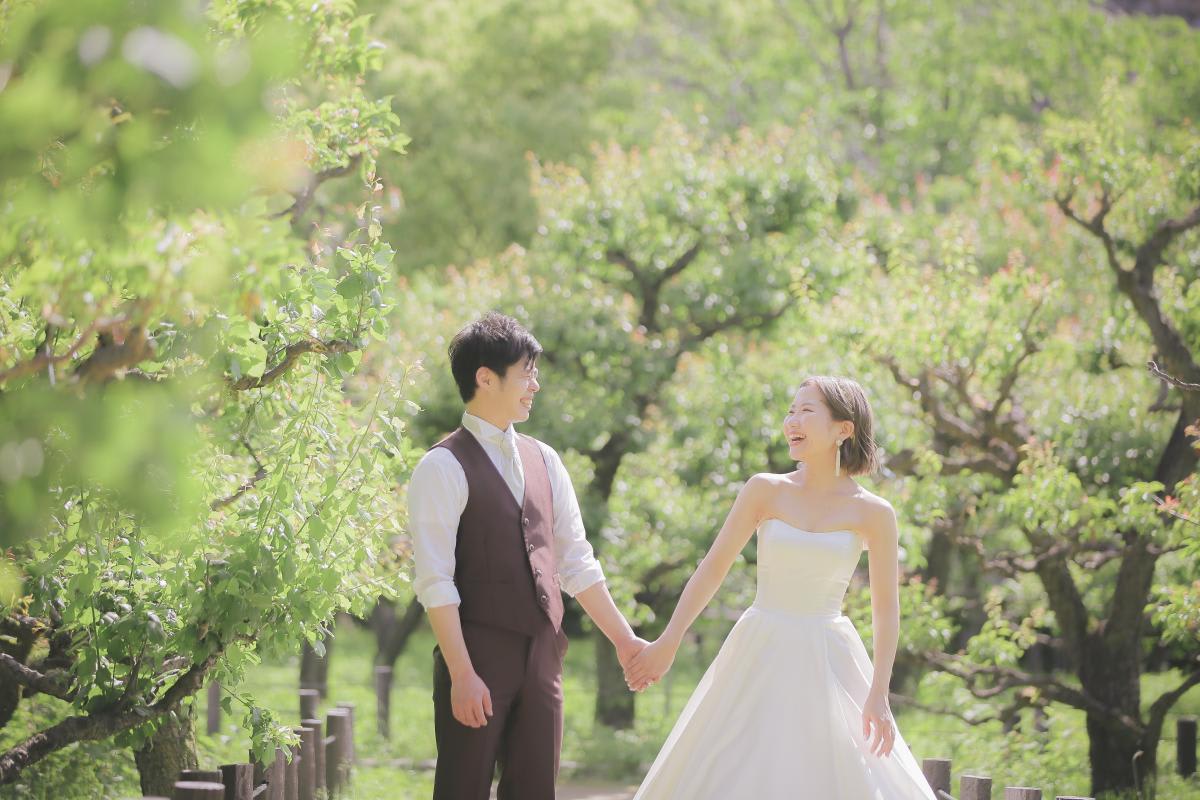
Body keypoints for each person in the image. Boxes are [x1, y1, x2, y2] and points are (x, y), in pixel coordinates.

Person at [624, 375, 936, 799]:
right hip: (759, 646)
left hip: (829, 655)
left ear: (843, 429)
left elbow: (886, 610)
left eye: (806, 411)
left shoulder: (875, 513)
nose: (792, 420)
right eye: (791, 411)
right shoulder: (764, 489)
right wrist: (669, 640)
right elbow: (712, 569)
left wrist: (879, 692)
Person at [408, 312, 647, 800]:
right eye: (526, 373)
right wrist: (462, 673)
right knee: (461, 790)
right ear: (485, 378)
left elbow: (576, 562)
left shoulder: (546, 459)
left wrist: (624, 641)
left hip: (543, 655)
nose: (535, 385)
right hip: (476, 656)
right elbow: (435, 581)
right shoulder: (441, 466)